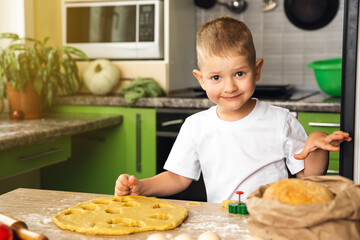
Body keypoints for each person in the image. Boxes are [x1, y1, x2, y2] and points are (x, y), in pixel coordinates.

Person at [115, 16, 351, 203]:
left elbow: (309, 176)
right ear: (201, 79)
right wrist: (142, 186)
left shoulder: (281, 121)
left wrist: (317, 143)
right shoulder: (196, 126)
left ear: (256, 70)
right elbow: (178, 177)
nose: (229, 87)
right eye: (216, 77)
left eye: (240, 73)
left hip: (270, 221)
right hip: (222, 224)